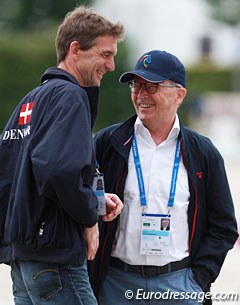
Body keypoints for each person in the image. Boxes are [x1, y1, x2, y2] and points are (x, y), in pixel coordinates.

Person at [90, 50, 238, 305]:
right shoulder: (107, 143)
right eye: (136, 86)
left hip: (179, 284)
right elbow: (83, 199)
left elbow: (223, 226)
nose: (141, 94)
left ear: (179, 95)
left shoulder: (203, 152)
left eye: (152, 87)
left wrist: (198, 278)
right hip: (117, 284)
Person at [0, 5, 124, 305]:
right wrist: (89, 217)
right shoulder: (70, 97)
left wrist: (92, 197)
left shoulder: (31, 101)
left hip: (23, 260)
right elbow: (58, 171)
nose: (111, 66)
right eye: (105, 54)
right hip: (55, 261)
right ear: (75, 49)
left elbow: (14, 177)